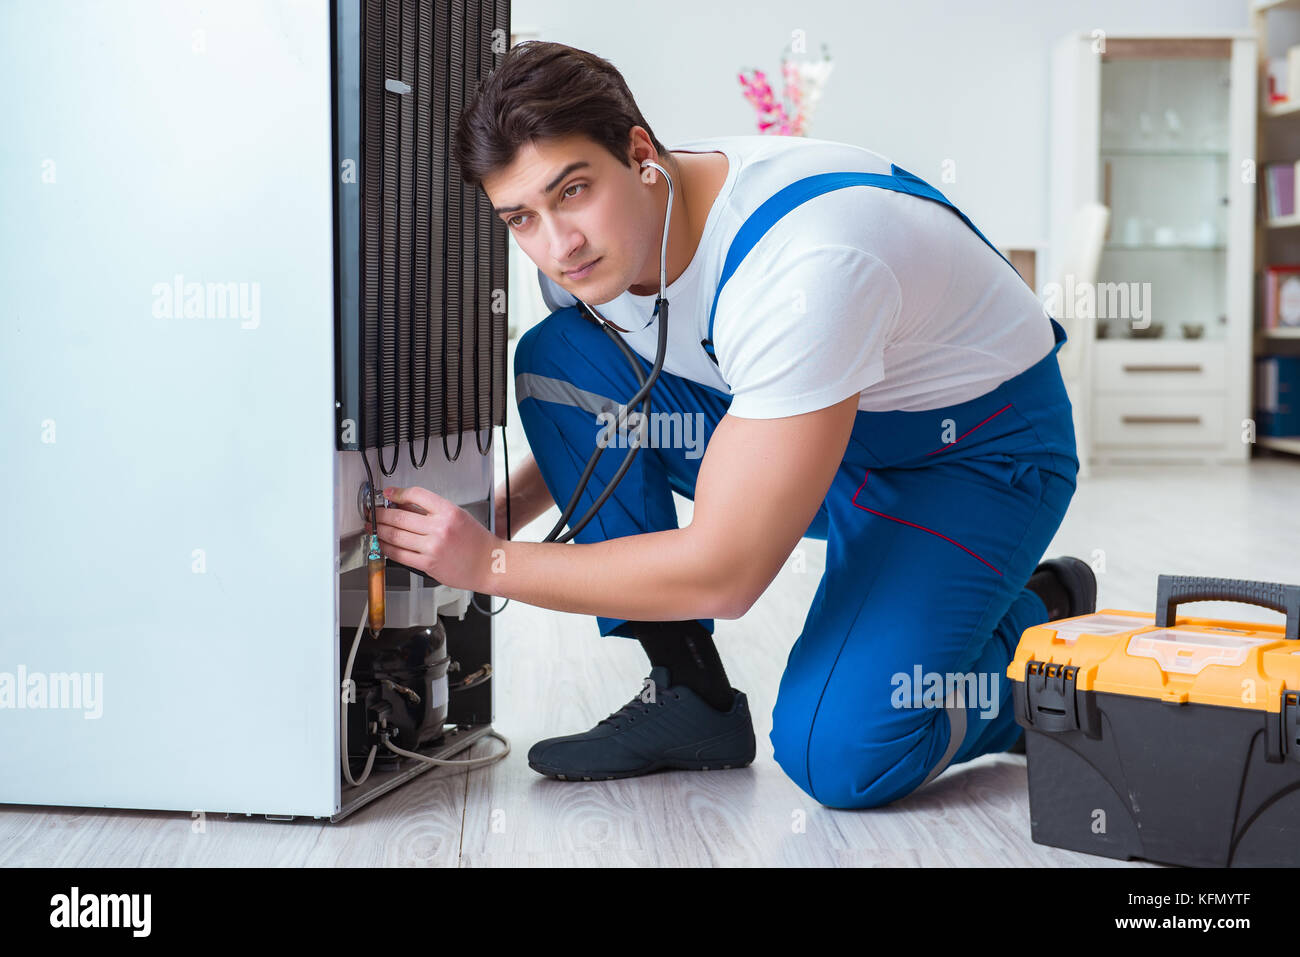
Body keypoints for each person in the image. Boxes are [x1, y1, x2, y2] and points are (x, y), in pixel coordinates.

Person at [378, 40, 1095, 809]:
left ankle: (1034, 632)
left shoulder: (806, 266)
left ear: (641, 153)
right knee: (556, 355)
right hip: (810, 426)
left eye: (573, 191)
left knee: (841, 752)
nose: (558, 245)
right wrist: (503, 512)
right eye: (522, 217)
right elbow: (595, 410)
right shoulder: (603, 250)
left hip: (972, 460)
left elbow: (727, 573)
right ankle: (691, 695)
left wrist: (489, 563)